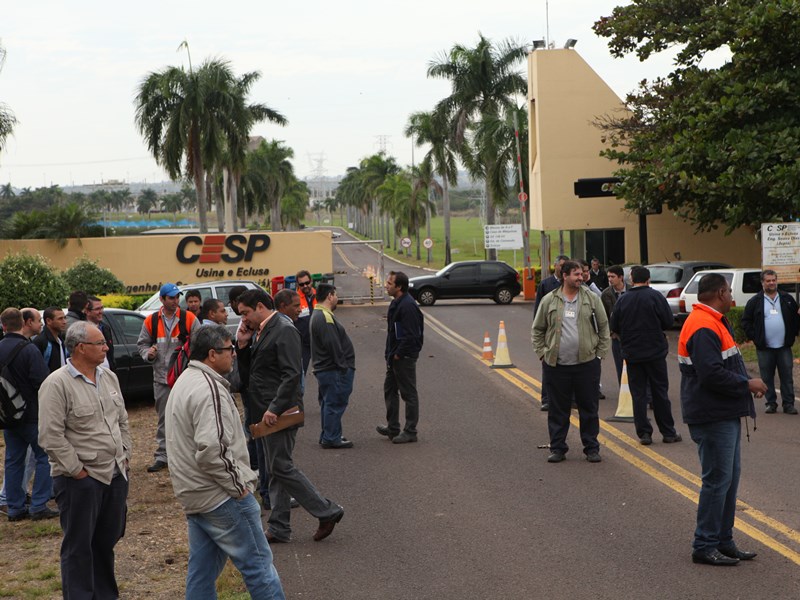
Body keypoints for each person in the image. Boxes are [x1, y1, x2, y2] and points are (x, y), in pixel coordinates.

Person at [165, 325, 285, 599]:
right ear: (211, 354)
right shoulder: (209, 390)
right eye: (229, 349)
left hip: (195, 494)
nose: (233, 354)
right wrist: (239, 488)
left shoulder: (186, 380)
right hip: (220, 495)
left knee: (202, 573)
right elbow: (212, 449)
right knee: (259, 568)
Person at [236, 289, 343, 543]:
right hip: (265, 410)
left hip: (280, 412)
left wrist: (274, 407)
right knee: (275, 469)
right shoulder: (260, 330)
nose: (243, 319)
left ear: (260, 306)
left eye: (245, 313)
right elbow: (254, 373)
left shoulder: (283, 330)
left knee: (279, 467)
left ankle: (327, 510)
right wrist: (242, 345)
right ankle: (279, 527)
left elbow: (292, 375)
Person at [678, 273, 767, 566]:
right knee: (717, 481)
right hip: (711, 414)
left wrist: (744, 381)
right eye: (729, 291)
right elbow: (711, 373)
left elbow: (722, 366)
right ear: (719, 292)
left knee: (728, 481)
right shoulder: (703, 326)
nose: (732, 296)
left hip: (721, 412)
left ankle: (724, 541)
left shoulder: (711, 320)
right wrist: (747, 384)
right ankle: (704, 544)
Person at [38, 321, 132, 596]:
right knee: (78, 548)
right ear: (80, 348)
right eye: (100, 343)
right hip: (80, 481)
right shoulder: (56, 384)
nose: (106, 347)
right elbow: (50, 437)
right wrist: (78, 471)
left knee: (105, 543)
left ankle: (104, 595)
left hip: (115, 475)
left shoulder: (108, 376)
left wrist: (125, 455)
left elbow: (122, 420)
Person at [531, 260, 610, 463]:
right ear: (565, 276)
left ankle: (591, 448)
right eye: (575, 274)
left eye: (581, 274)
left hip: (587, 364)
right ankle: (558, 448)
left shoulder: (592, 299)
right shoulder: (550, 300)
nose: (580, 277)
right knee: (558, 409)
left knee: (589, 408)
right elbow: (537, 329)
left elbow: (603, 328)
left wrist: (599, 355)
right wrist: (542, 354)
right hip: (557, 366)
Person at [610, 266, 682, 445]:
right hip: (655, 352)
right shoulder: (656, 297)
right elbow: (667, 321)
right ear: (649, 279)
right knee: (659, 392)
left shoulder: (623, 299)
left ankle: (644, 433)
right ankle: (668, 432)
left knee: (638, 394)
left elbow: (615, 324)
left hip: (632, 353)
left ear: (631, 280)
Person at [137, 283, 199, 473]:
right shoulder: (151, 321)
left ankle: (189, 455)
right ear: (162, 299)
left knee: (189, 416)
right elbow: (142, 345)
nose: (175, 300)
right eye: (171, 297)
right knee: (164, 418)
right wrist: (149, 354)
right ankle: (163, 456)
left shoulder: (189, 318)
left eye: (177, 297)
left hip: (185, 378)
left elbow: (200, 344)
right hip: (162, 378)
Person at [0, 308, 55, 522]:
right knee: (45, 456)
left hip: (7, 417)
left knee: (13, 460)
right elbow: (43, 383)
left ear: (3, 326)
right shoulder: (29, 350)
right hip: (32, 414)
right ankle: (39, 505)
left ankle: (14, 507)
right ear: (22, 322)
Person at [741, 269, 800, 415]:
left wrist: (792, 335)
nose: (771, 283)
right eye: (768, 280)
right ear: (762, 283)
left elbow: (795, 319)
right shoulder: (755, 301)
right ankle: (771, 403)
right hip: (764, 347)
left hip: (784, 346)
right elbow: (746, 321)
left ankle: (788, 404)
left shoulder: (787, 298)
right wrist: (756, 337)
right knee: (767, 377)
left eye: (773, 280)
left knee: (786, 377)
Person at [377, 271, 424, 444]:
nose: (386, 286)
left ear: (399, 287)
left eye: (390, 283)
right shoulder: (396, 303)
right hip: (394, 356)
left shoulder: (408, 306)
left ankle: (410, 431)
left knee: (408, 394)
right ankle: (393, 427)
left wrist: (398, 354)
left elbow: (411, 335)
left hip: (403, 357)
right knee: (389, 390)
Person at [310, 283, 356, 449]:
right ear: (329, 296)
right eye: (335, 295)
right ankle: (331, 437)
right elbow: (333, 345)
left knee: (329, 403)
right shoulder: (324, 317)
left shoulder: (320, 314)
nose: (337, 298)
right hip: (333, 369)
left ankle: (330, 434)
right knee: (335, 403)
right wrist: (343, 367)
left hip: (328, 369)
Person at [533, 254, 570, 412]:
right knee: (549, 367)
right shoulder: (546, 284)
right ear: (555, 266)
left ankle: (568, 398)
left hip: (567, 331)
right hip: (550, 332)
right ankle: (547, 399)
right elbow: (538, 310)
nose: (563, 268)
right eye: (562, 265)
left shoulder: (571, 285)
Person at [600, 265, 629, 383]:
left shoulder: (631, 290)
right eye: (608, 277)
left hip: (632, 335)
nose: (610, 279)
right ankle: (624, 393)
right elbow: (604, 316)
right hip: (617, 336)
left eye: (613, 276)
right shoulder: (606, 294)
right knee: (620, 366)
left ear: (621, 277)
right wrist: (610, 332)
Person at [294, 270, 317, 376]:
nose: (305, 286)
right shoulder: (294, 300)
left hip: (319, 343)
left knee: (325, 373)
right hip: (303, 345)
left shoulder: (319, 296)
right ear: (298, 285)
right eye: (302, 284)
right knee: (299, 374)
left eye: (307, 283)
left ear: (311, 281)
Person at [33, 307, 68, 373]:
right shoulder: (41, 341)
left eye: (64, 318)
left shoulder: (61, 339)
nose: (64, 322)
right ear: (48, 321)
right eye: (60, 319)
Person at [86, 296, 115, 371]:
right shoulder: (82, 330)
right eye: (97, 309)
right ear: (87, 311)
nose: (101, 311)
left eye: (102, 308)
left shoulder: (105, 328)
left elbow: (110, 354)